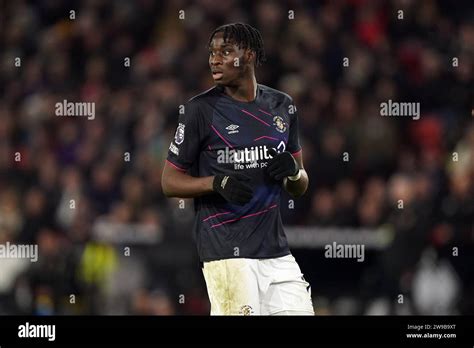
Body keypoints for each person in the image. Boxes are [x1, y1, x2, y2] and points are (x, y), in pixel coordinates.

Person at [162, 23, 314, 315]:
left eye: (226, 51)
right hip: (227, 255)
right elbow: (169, 182)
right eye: (212, 53)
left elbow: (301, 182)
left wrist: (293, 172)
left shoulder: (282, 106)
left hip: (276, 252)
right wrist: (215, 183)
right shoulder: (199, 111)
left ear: (250, 56)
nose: (214, 60)